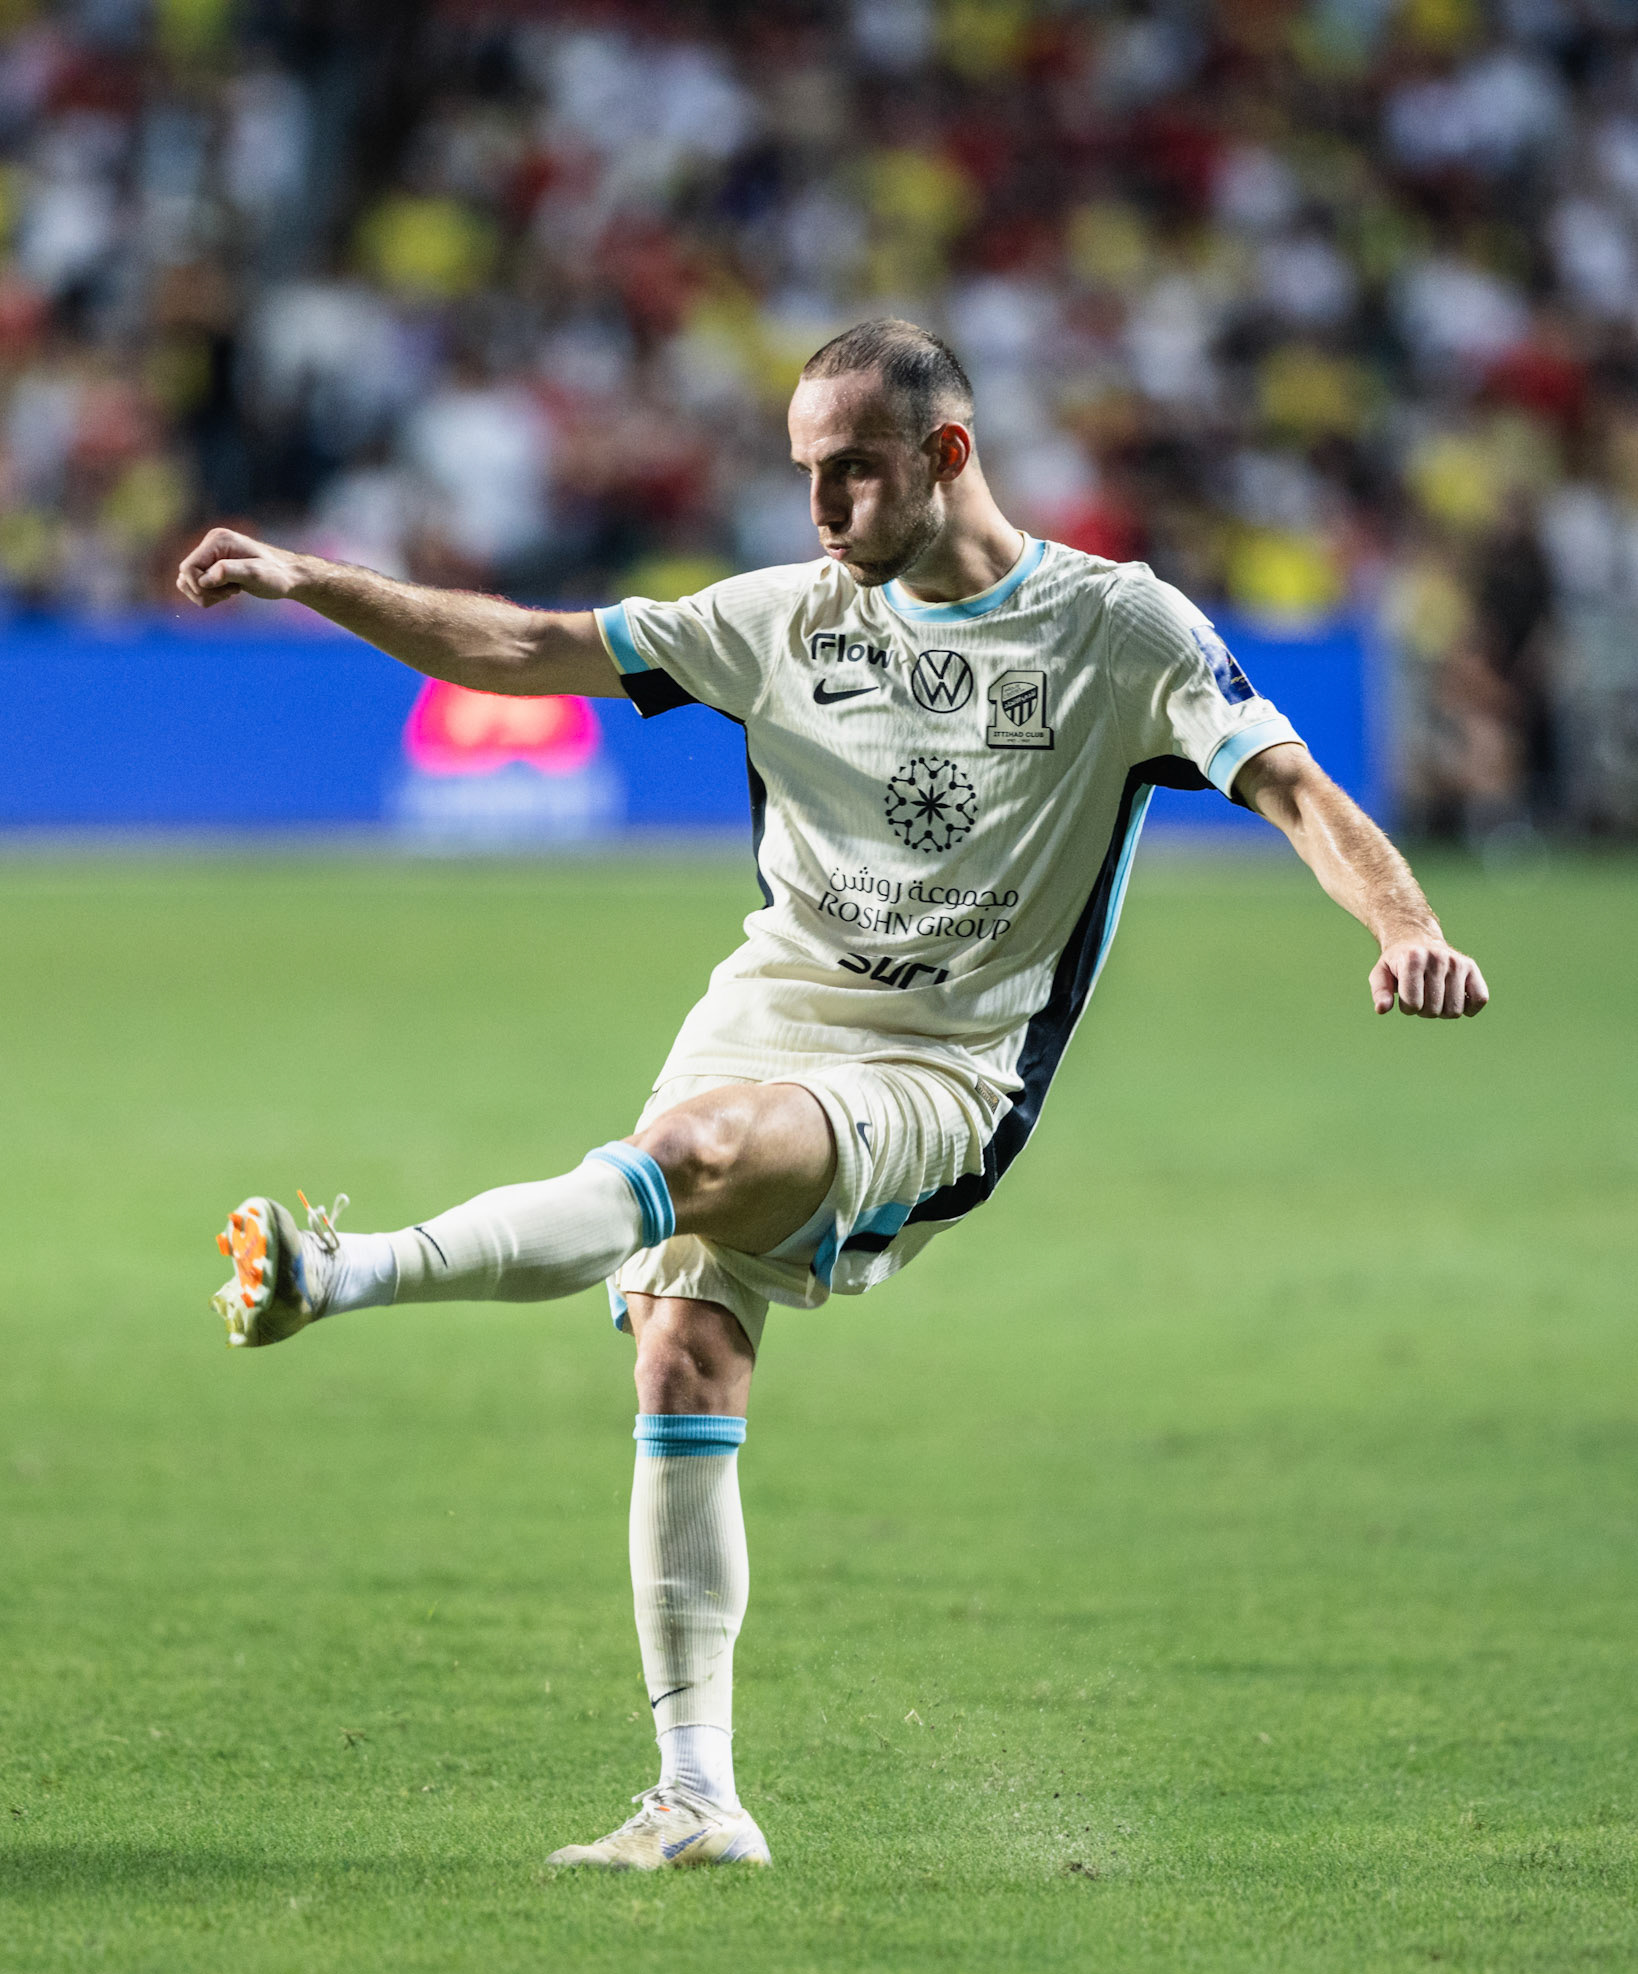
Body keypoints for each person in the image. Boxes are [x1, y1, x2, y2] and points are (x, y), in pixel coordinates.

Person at [177, 318, 1488, 1872]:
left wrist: (1403, 927)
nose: (819, 508)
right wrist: (313, 580)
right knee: (682, 1355)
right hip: (764, 1008)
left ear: (946, 454)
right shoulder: (784, 617)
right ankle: (696, 1800)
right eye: (804, 472)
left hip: (943, 1067)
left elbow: (1292, 787)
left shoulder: (1115, 627)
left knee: (690, 1153)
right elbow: (525, 651)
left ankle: (342, 1272)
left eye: (850, 472)